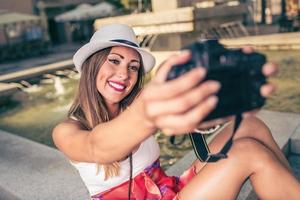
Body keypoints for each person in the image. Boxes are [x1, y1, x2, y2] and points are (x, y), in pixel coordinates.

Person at [52, 24, 300, 200]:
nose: (124, 74)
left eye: (133, 67)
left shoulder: (135, 101)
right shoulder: (67, 131)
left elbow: (182, 107)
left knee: (249, 125)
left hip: (170, 190)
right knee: (247, 153)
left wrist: (210, 99)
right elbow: (98, 147)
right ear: (92, 64)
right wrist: (150, 112)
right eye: (114, 61)